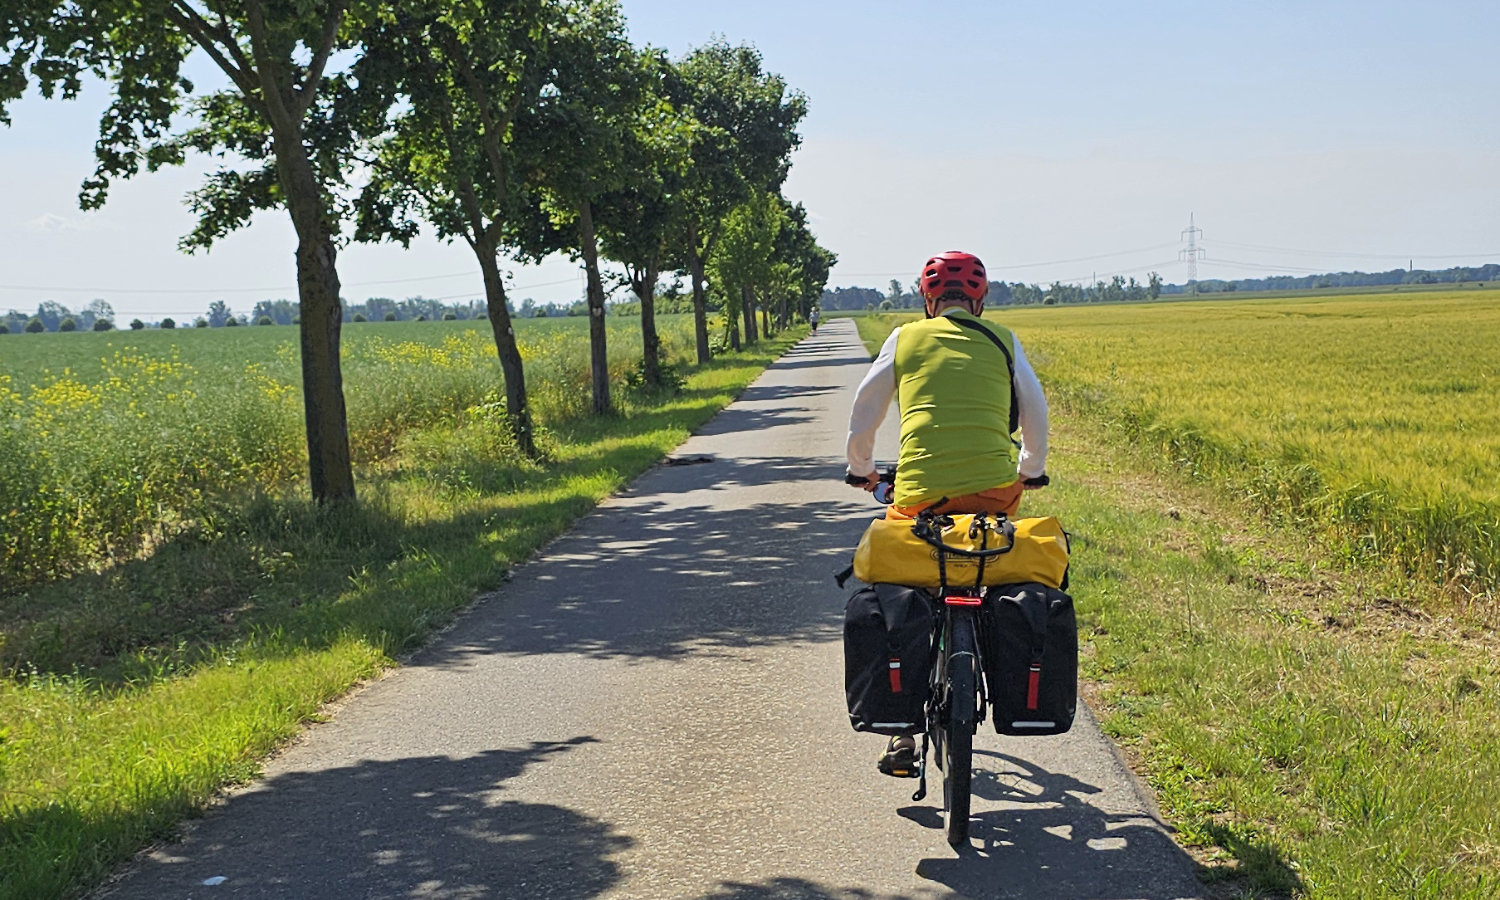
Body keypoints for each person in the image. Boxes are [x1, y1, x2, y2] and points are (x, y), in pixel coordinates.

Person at [844, 249, 1050, 776]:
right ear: (979, 299)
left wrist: (862, 469)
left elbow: (865, 409)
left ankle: (902, 733)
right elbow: (1035, 409)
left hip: (918, 495)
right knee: (984, 550)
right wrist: (1030, 468)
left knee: (910, 577)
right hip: (994, 491)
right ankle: (983, 642)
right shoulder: (1003, 339)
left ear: (927, 299)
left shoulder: (905, 337)